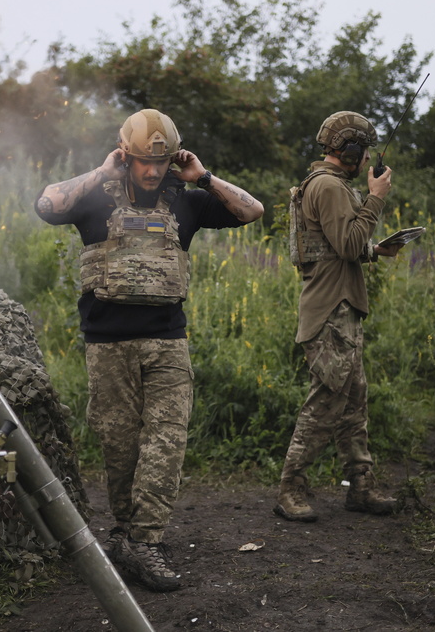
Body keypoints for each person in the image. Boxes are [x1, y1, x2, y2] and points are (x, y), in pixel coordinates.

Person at [35, 109, 264, 591]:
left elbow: (252, 211)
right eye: (142, 161)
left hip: (167, 343)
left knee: (166, 441)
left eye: (160, 163)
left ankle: (146, 541)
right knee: (119, 448)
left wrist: (203, 176)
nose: (153, 171)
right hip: (108, 345)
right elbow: (46, 204)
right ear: (127, 155)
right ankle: (124, 535)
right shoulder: (96, 197)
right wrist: (102, 171)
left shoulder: (187, 202)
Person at [275, 111, 404, 523]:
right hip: (330, 311)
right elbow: (348, 245)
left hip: (342, 308)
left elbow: (335, 246)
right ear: (348, 150)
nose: (368, 159)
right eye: (364, 150)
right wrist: (376, 197)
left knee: (353, 402)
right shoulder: (330, 187)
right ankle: (290, 489)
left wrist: (377, 250)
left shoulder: (331, 186)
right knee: (327, 400)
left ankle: (361, 485)